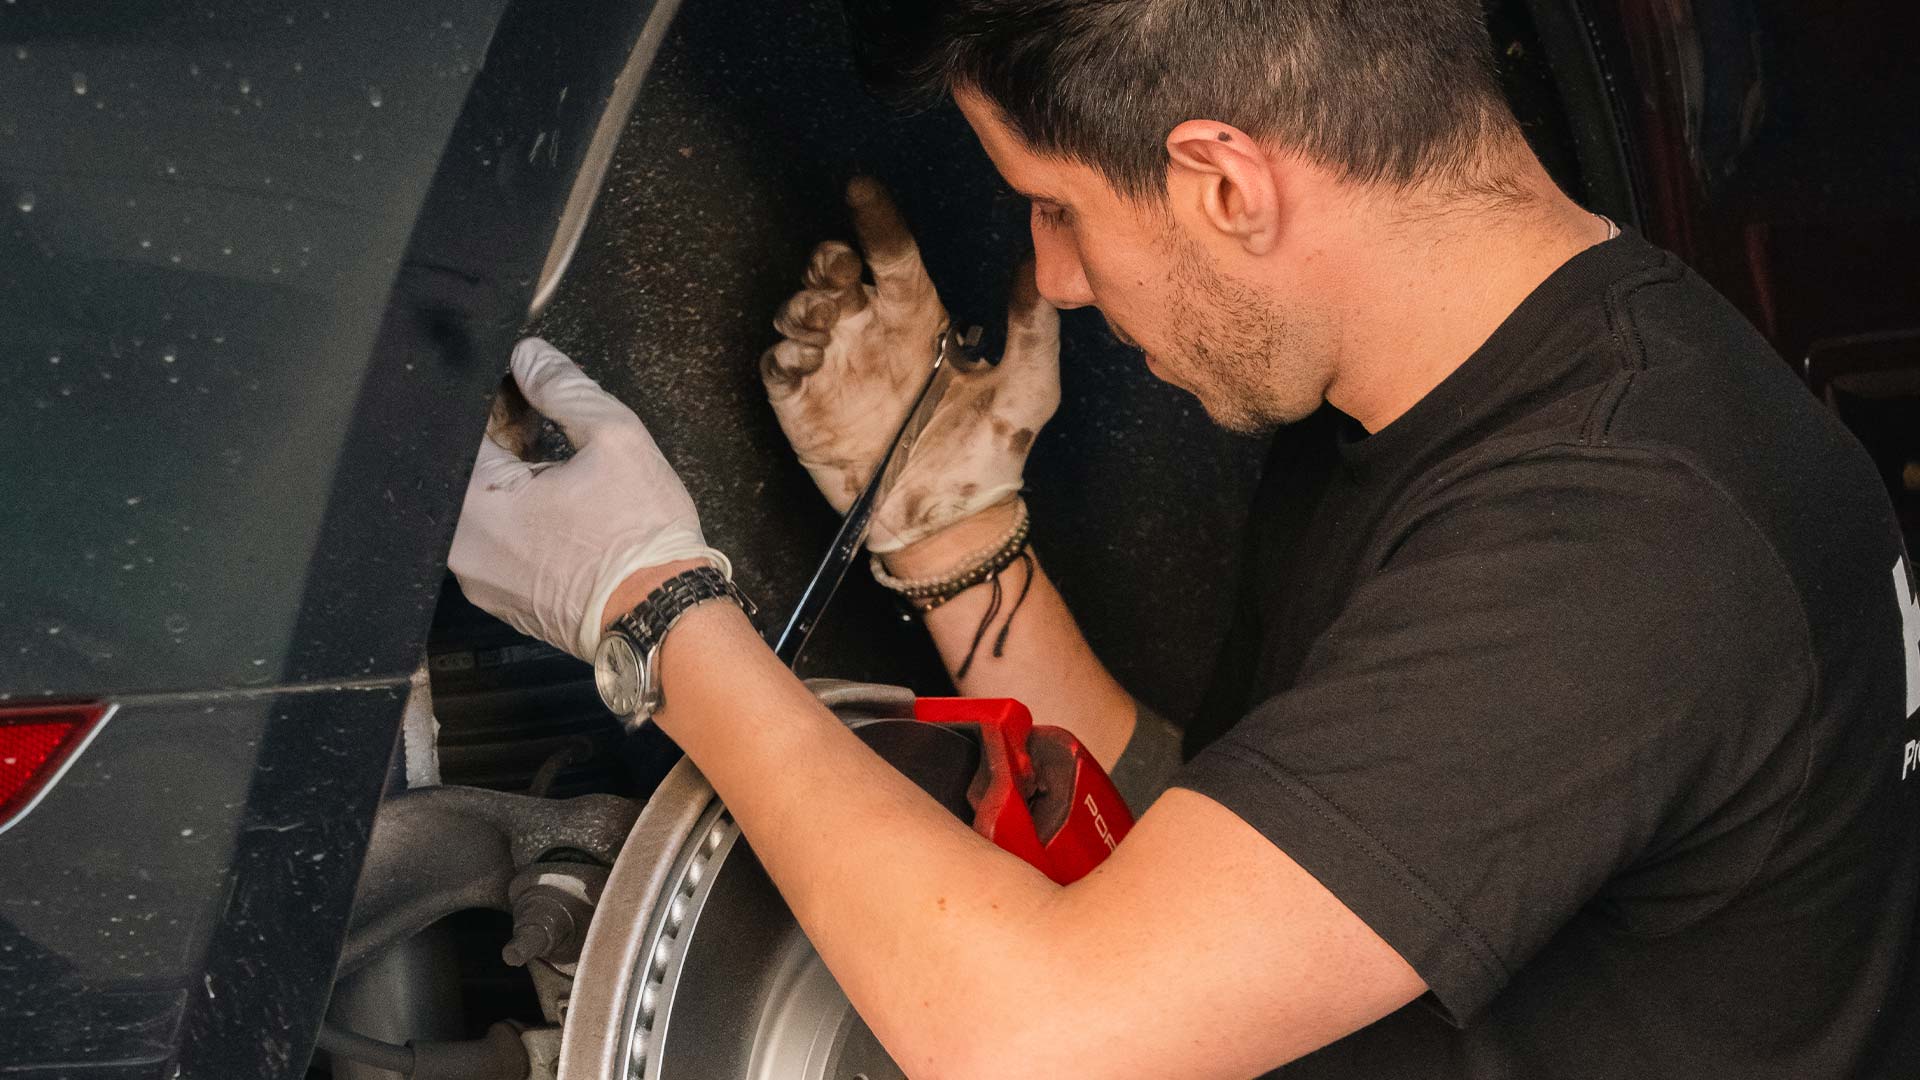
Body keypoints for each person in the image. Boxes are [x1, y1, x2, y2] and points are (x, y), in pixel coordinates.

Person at [448, 1, 1920, 1076]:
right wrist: (958, 542)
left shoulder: (1623, 544)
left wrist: (651, 607)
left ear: (1225, 179)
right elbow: (1224, 855)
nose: (1055, 279)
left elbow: (1037, 1036)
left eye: (1058, 209)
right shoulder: (1463, 388)